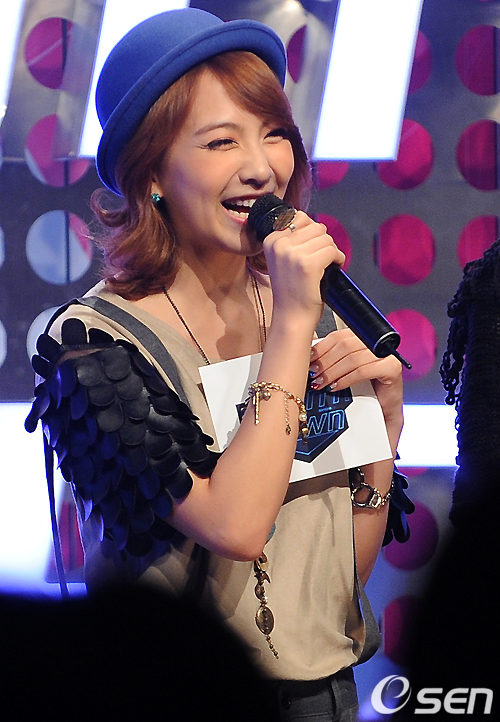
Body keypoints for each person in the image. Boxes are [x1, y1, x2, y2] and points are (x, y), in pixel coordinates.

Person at [25, 9, 408, 720]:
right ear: (152, 174)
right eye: (222, 141)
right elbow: (236, 528)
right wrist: (291, 328)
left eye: (274, 134)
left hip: (326, 697)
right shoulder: (96, 349)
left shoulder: (308, 308)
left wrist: (382, 433)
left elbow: (334, 587)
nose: (262, 167)